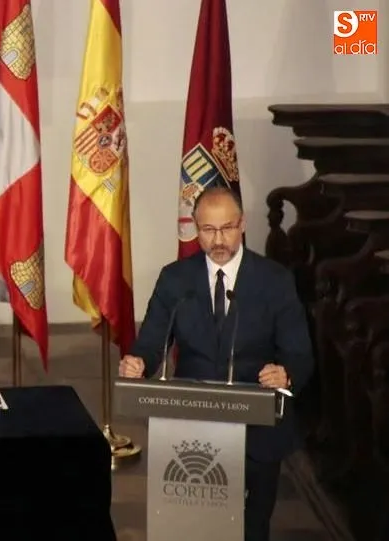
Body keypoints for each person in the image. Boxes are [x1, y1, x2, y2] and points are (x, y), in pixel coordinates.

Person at [118, 186, 314, 541]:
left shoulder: (275, 280)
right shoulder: (175, 279)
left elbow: (300, 352)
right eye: (208, 230)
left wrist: (285, 373)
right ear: (195, 228)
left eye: (226, 228)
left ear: (242, 224)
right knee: (196, 529)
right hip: (193, 428)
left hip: (258, 430)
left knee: (253, 528)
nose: (218, 239)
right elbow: (150, 342)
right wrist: (137, 363)